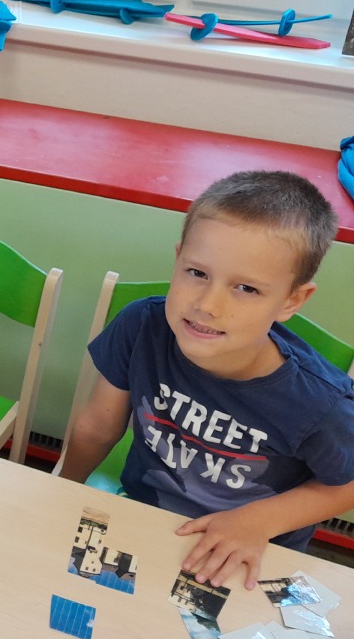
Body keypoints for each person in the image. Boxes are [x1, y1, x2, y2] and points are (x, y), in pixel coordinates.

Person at [59, 170, 354, 589]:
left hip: (245, 553)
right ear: (178, 259)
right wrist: (63, 492)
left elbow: (347, 485)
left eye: (246, 288)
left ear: (292, 300)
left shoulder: (320, 402)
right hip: (144, 517)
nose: (208, 305)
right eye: (197, 273)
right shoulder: (141, 326)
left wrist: (257, 521)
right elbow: (97, 427)